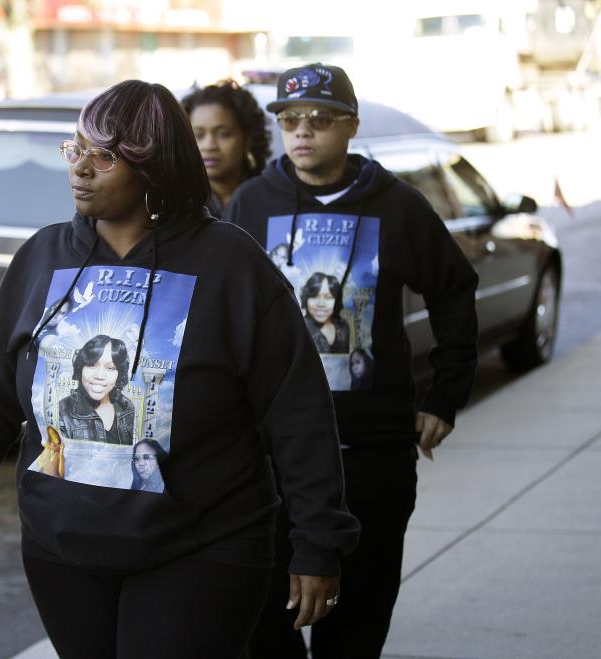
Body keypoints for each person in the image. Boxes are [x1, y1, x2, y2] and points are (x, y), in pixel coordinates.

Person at [0, 80, 359, 659]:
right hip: (62, 552)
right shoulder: (43, 259)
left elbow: (297, 413)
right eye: (75, 150)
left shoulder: (229, 265)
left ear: (154, 166)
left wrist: (317, 542)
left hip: (203, 548)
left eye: (104, 156)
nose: (81, 168)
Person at [228, 63, 478, 659]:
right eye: (290, 119)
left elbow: (453, 288)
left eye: (320, 118)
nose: (302, 131)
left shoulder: (396, 206)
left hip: (371, 455)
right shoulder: (252, 204)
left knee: (356, 625)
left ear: (351, 126)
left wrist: (445, 396)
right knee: (263, 623)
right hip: (272, 459)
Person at [182, 79, 271, 216]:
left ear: (247, 139)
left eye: (223, 134)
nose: (209, 146)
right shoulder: (176, 204)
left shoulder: (272, 195)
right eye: (198, 135)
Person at [57, 334, 135, 445]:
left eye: (110, 368)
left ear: (119, 373)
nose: (99, 375)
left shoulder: (127, 406)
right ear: (81, 368)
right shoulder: (62, 410)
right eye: (92, 365)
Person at [300, 272, 350, 354]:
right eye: (314, 296)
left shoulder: (343, 326)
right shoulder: (300, 328)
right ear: (306, 299)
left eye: (328, 297)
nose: (321, 304)